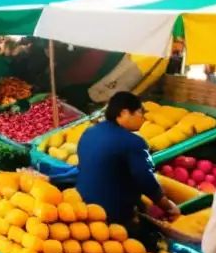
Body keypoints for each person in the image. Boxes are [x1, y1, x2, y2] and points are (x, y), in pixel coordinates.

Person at [75, 91, 180, 228]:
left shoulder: (89, 132)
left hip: (82, 206)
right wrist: (168, 206)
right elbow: (145, 180)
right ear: (124, 113)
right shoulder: (134, 142)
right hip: (113, 214)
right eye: (140, 112)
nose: (143, 117)